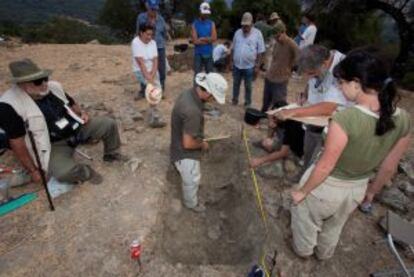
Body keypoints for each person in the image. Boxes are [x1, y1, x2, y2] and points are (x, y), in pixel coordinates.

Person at [289, 50, 411, 260]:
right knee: (335, 225)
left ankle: (303, 251)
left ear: (356, 83)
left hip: (326, 188)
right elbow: (389, 167)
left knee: (306, 220)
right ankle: (324, 254)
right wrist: (371, 192)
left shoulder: (345, 119)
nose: (339, 87)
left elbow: (325, 166)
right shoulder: (404, 119)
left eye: (341, 82)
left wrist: (302, 192)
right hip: (357, 187)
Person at [0, 59, 126, 185]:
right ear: (22, 84)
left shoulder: (54, 87)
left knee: (108, 124)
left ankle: (111, 154)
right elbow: (17, 143)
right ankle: (86, 172)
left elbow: (72, 104)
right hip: (52, 146)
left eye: (45, 78)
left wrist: (82, 114)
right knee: (63, 173)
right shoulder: (9, 105)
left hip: (75, 129)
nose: (44, 83)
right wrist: (33, 170)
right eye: (38, 81)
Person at [276, 45, 348, 169]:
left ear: (325, 64)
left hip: (333, 125)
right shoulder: (317, 61)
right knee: (308, 153)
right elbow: (311, 82)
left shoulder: (343, 69)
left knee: (319, 162)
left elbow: (328, 107)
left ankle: (307, 180)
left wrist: (292, 112)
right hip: (313, 118)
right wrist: (305, 95)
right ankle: (303, 173)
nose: (310, 77)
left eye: (313, 74)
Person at [170, 72, 228, 212]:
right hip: (183, 153)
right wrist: (202, 144)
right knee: (192, 179)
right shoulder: (192, 111)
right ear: (207, 92)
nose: (213, 100)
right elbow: (188, 144)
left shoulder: (188, 94)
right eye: (213, 97)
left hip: (177, 140)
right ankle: (191, 204)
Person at [250, 101, 304, 169]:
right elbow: (270, 134)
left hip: (294, 152)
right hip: (284, 144)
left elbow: (283, 152)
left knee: (275, 168)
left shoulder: (292, 125)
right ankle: (274, 154)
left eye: (274, 116)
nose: (273, 118)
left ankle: (290, 161)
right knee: (266, 143)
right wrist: (271, 123)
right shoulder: (281, 117)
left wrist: (260, 160)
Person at [261, 22, 299, 112]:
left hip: (281, 80)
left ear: (283, 32)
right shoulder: (276, 43)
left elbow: (299, 59)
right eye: (274, 37)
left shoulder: (292, 44)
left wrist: (290, 68)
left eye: (277, 36)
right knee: (266, 102)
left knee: (278, 104)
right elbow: (274, 59)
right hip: (270, 77)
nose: (276, 39)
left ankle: (277, 122)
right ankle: (263, 115)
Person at [232, 12, 265, 108]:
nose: (245, 28)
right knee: (236, 83)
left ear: (252, 24)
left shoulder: (258, 34)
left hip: (249, 66)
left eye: (247, 26)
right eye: (243, 26)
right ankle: (234, 100)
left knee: (248, 86)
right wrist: (231, 62)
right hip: (237, 64)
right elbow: (233, 48)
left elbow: (260, 51)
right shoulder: (237, 32)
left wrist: (257, 66)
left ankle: (247, 102)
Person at [136, 0, 167, 93]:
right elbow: (138, 32)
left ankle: (161, 90)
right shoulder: (141, 18)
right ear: (147, 7)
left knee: (161, 69)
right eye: (152, 9)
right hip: (145, 47)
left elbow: (164, 33)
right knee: (144, 68)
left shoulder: (161, 19)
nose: (154, 11)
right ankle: (143, 90)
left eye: (155, 9)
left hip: (159, 47)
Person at [132, 24, 160, 100]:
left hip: (151, 68)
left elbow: (155, 60)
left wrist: (153, 75)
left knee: (157, 90)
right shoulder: (136, 42)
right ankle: (151, 106)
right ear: (141, 33)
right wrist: (149, 79)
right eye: (147, 34)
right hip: (140, 69)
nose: (150, 37)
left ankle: (152, 96)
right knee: (151, 89)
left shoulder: (153, 42)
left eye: (151, 35)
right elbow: (141, 63)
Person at [191, 2, 217, 76]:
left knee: (210, 75)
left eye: (207, 13)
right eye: (204, 13)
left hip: (209, 53)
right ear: (200, 12)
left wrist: (202, 39)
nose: (206, 15)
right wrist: (209, 40)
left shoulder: (211, 23)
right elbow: (195, 41)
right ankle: (196, 88)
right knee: (197, 75)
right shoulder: (194, 24)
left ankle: (208, 88)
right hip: (198, 54)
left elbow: (214, 38)